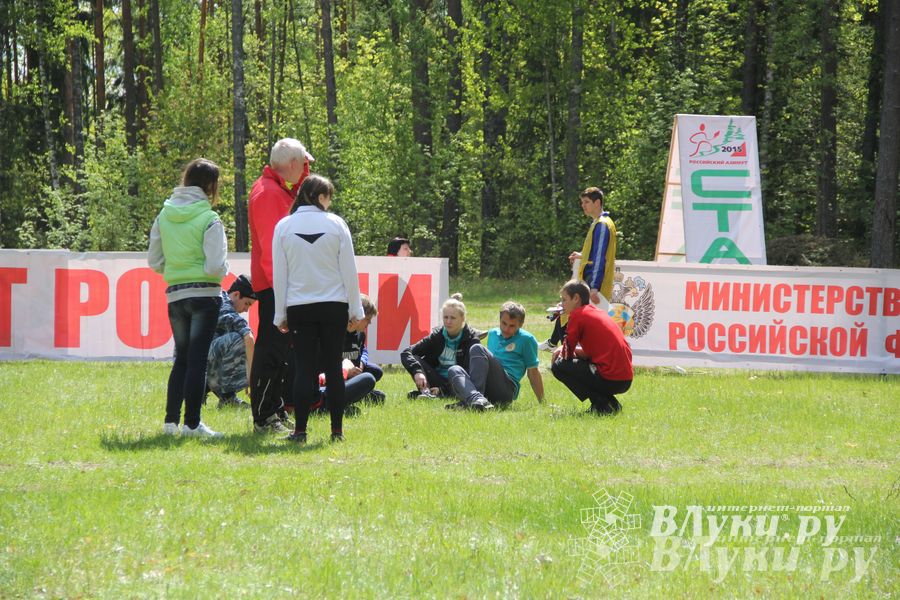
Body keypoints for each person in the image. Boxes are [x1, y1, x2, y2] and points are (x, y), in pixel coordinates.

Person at [272, 174, 364, 443]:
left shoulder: (284, 226)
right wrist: (356, 309)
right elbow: (349, 271)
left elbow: (280, 275)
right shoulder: (336, 224)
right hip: (334, 306)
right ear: (321, 196)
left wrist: (280, 314)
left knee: (304, 368)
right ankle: (337, 431)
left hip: (299, 307)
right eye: (329, 197)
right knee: (334, 368)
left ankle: (300, 431)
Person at [148, 158, 228, 438]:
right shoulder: (209, 218)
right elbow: (216, 266)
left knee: (181, 359)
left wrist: (177, 271)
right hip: (204, 294)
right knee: (197, 361)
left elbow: (154, 261)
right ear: (210, 186)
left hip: (176, 294)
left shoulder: (164, 215)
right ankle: (192, 424)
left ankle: (170, 423)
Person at [248, 138, 314, 433]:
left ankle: (273, 408)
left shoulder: (276, 190)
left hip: (282, 284)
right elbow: (272, 248)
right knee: (271, 350)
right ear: (292, 164)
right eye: (304, 164)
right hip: (277, 285)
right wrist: (283, 291)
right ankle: (263, 416)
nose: (307, 169)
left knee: (281, 351)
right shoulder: (268, 194)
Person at [541, 186, 617, 352]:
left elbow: (599, 258)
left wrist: (594, 287)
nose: (583, 205)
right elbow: (596, 252)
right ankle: (559, 346)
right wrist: (582, 255)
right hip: (589, 283)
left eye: (586, 202)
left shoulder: (602, 225)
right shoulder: (599, 222)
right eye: (582, 202)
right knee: (568, 311)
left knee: (576, 316)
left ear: (597, 203)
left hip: (594, 285)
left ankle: (566, 351)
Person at [551, 280, 633, 415]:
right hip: (626, 378)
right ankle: (611, 404)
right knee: (572, 363)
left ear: (576, 298)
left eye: (564, 300)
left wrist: (561, 349)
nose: (562, 304)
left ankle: (602, 405)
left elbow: (566, 355)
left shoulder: (577, 315)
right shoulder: (597, 312)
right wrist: (569, 350)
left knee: (558, 365)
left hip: (611, 378)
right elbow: (592, 352)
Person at [445, 301, 544, 411]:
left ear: (520, 325)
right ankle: (476, 400)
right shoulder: (493, 334)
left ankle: (473, 401)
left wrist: (542, 402)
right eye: (504, 323)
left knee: (477, 348)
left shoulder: (527, 339)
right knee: (454, 370)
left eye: (512, 326)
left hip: (505, 389)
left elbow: (533, 372)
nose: (506, 329)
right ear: (499, 320)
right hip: (487, 388)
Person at [311, 294, 385, 415]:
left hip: (344, 377)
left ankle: (350, 396)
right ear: (358, 315)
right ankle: (329, 405)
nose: (370, 323)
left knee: (376, 374)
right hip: (326, 384)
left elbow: (363, 349)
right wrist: (345, 371)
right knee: (368, 379)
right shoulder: (331, 334)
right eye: (367, 319)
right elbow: (321, 370)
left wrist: (361, 363)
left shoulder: (360, 334)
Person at [400, 294, 482, 400]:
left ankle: (440, 393)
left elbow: (470, 373)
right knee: (415, 358)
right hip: (436, 379)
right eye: (445, 317)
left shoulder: (471, 339)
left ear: (462, 319)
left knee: (458, 374)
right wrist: (417, 372)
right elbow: (407, 352)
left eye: (453, 318)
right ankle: (426, 392)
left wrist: (443, 389)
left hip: (460, 381)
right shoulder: (437, 335)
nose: (448, 321)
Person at [206, 274, 257, 409]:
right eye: (247, 303)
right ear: (236, 294)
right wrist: (252, 379)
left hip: (191, 362)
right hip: (196, 363)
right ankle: (227, 398)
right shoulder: (226, 308)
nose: (246, 309)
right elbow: (249, 337)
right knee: (238, 339)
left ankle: (222, 396)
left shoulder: (219, 297)